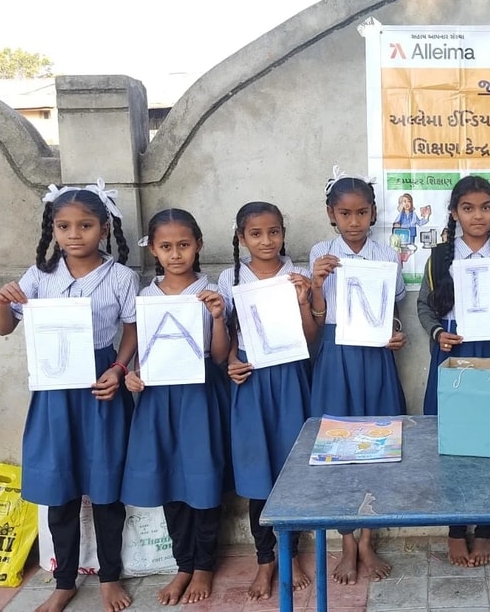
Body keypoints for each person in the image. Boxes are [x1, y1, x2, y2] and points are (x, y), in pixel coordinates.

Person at [0, 182, 136, 612]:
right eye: (64, 226)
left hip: (100, 388)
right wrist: (3, 302)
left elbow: (131, 328)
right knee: (62, 491)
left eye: (86, 225)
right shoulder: (38, 277)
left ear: (104, 227)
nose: (75, 234)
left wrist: (118, 368)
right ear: (52, 229)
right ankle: (64, 580)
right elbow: (5, 326)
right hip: (55, 394)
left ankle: (110, 576)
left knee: (107, 490)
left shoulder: (121, 277)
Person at [417, 175, 490, 567]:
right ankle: (455, 527)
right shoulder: (439, 257)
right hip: (454, 353)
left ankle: (484, 528)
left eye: (485, 207)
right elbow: (424, 308)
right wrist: (436, 333)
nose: (477, 215)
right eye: (468, 208)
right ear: (454, 213)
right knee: (454, 440)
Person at [121, 209, 229, 605]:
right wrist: (132, 376)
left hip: (200, 394)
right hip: (158, 399)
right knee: (169, 478)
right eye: (165, 247)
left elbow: (219, 356)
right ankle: (183, 563)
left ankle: (204, 566)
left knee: (202, 477)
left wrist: (218, 317)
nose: (176, 254)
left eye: (183, 245)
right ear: (153, 250)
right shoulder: (145, 298)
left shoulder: (212, 291)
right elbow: (142, 355)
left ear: (198, 244)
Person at [309, 166, 407, 585]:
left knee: (378, 443)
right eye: (345, 214)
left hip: (375, 360)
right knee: (336, 446)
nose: (354, 222)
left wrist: (396, 335)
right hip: (335, 356)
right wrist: (316, 283)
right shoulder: (320, 254)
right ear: (332, 214)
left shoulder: (386, 256)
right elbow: (316, 318)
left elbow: (393, 313)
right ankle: (346, 540)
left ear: (373, 213)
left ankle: (367, 539)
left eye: (362, 213)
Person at [218, 202, 316, 598]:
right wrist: (229, 361)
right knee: (257, 473)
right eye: (256, 234)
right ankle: (265, 560)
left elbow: (311, 339)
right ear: (241, 238)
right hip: (250, 381)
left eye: (274, 232)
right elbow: (222, 336)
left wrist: (304, 300)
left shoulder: (297, 275)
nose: (266, 241)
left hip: (290, 378)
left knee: (289, 467)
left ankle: (290, 553)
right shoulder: (230, 278)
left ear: (283, 234)